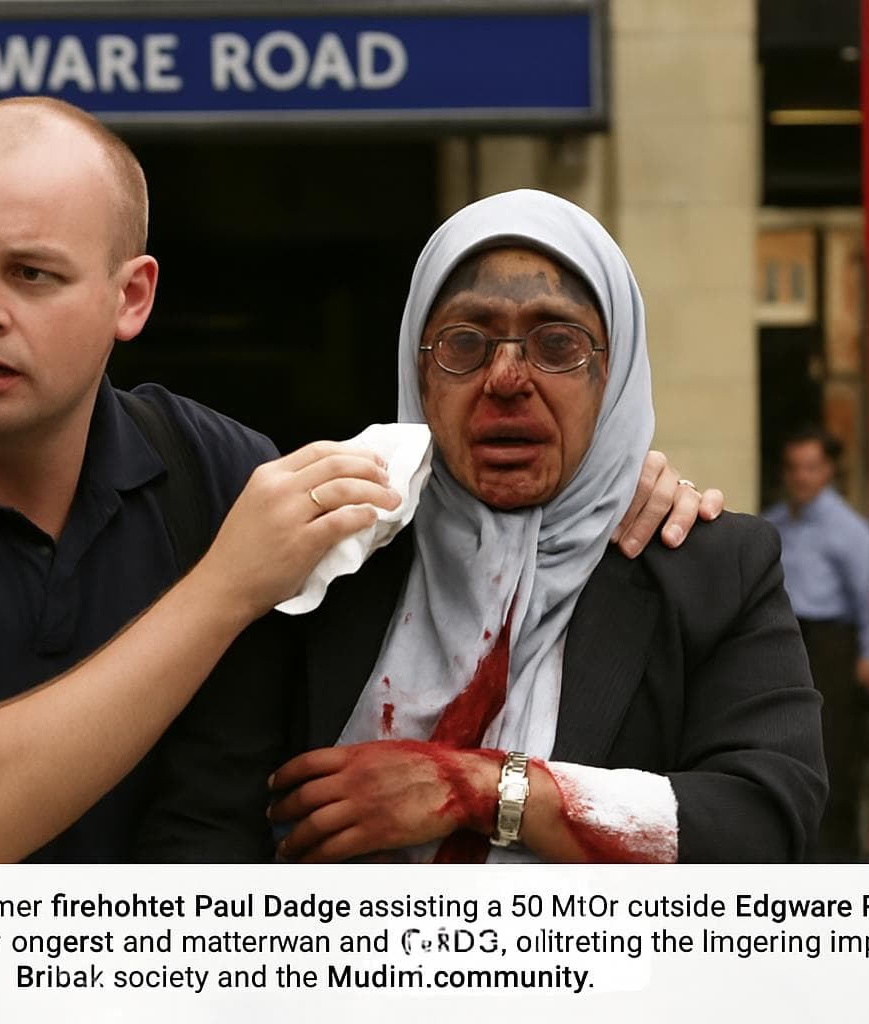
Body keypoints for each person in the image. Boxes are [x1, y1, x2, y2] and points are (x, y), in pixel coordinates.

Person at [0, 99, 715, 862]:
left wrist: (616, 477)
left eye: (31, 273)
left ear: (130, 296)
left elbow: (442, 502)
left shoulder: (208, 467)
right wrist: (223, 587)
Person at [246, 189, 826, 864]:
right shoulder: (332, 556)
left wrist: (482, 789)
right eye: (466, 342)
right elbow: (206, 821)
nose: (507, 377)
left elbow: (768, 828)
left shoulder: (707, 567)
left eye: (558, 343)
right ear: (418, 368)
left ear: (614, 374)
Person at [763, 425, 869, 861]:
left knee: (832, 752)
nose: (802, 477)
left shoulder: (848, 530)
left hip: (830, 647)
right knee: (784, 746)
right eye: (794, 468)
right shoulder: (773, 522)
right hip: (784, 644)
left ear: (827, 470)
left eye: (811, 467)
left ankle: (837, 859)